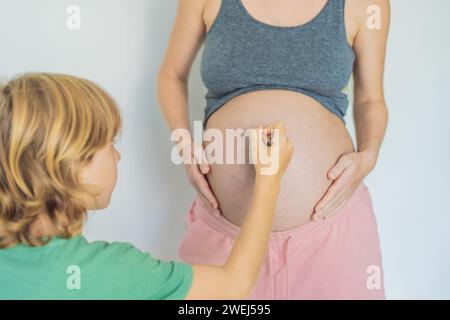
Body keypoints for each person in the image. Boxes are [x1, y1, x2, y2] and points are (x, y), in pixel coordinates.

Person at [157, 0, 389, 299]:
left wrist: (369, 154)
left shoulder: (366, 5)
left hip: (330, 234)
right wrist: (184, 143)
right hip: (224, 233)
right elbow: (171, 75)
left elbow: (371, 99)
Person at [0, 73, 293, 299]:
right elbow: (234, 284)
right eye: (109, 144)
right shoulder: (117, 272)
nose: (117, 155)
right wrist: (268, 181)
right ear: (73, 161)